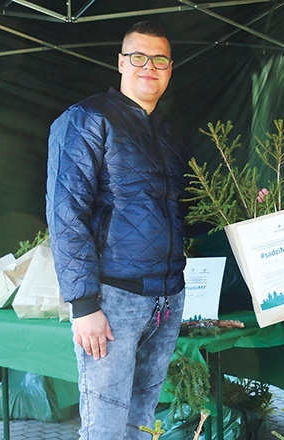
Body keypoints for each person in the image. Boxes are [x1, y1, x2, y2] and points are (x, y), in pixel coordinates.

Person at [46, 20, 191, 439]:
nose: (149, 66)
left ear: (170, 68)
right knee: (104, 426)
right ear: (121, 62)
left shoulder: (172, 135)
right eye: (138, 57)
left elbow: (182, 214)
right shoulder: (86, 119)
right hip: (112, 300)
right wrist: (83, 304)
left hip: (166, 298)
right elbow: (65, 214)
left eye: (159, 59)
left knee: (142, 420)